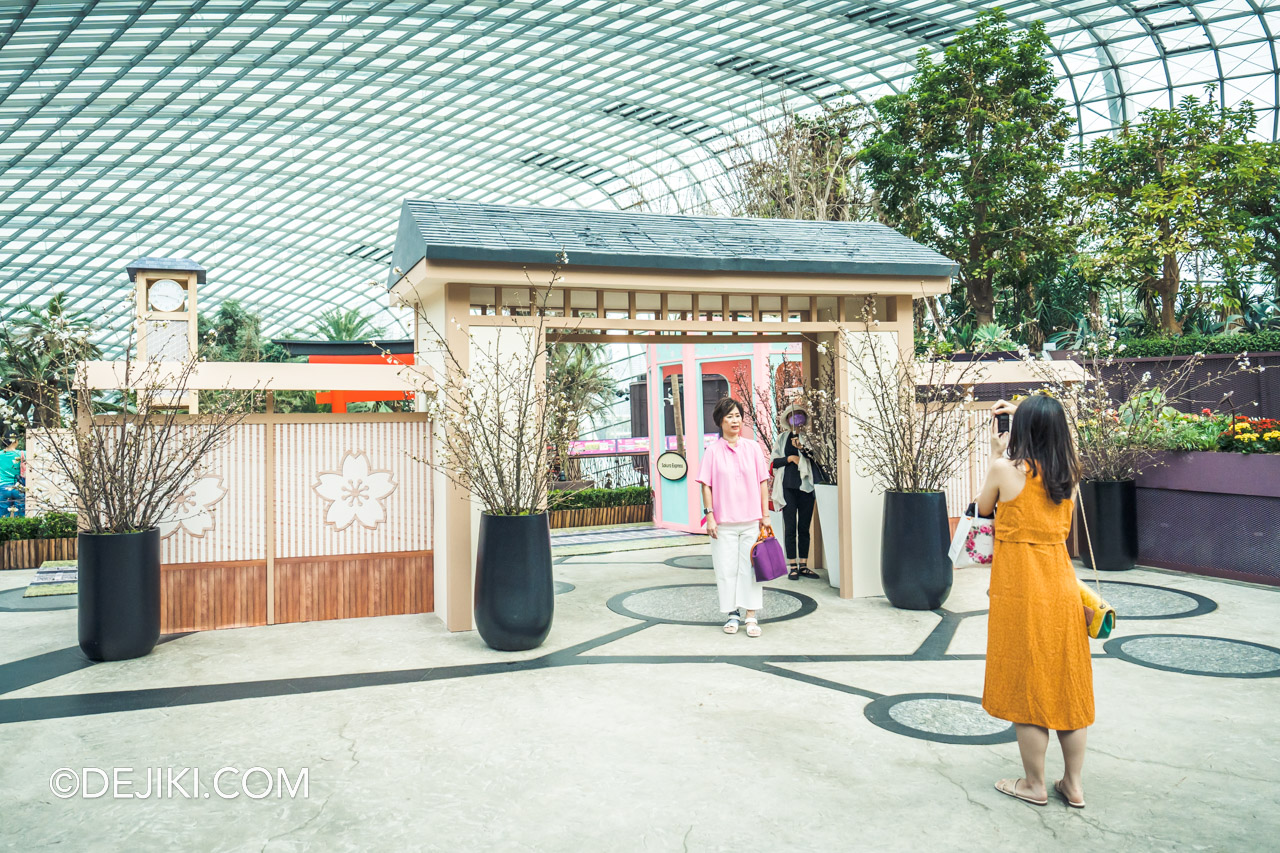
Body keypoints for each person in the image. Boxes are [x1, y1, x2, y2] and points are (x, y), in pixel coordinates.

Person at [977, 394, 1093, 810]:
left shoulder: (1004, 470)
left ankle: (1034, 783)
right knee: (1067, 684)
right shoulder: (1071, 472)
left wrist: (996, 450)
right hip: (1061, 584)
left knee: (1028, 685)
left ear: (1021, 429)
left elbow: (983, 508)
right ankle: (1074, 785)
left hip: (1019, 587)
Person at [696, 397, 771, 638]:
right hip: (724, 524)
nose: (735, 420)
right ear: (720, 421)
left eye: (738, 415)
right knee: (726, 569)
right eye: (729, 416)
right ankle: (732, 614)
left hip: (751, 521)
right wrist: (710, 516)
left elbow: (762, 482)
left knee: (750, 569)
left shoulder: (753, 448)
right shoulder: (712, 451)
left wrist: (765, 516)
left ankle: (751, 615)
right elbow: (705, 485)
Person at [770, 401, 821, 580]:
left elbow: (818, 459)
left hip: (806, 488)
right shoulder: (782, 438)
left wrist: (802, 448)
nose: (796, 419)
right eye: (793, 416)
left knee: (804, 528)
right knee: (790, 527)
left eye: (800, 415)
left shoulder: (810, 438)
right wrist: (790, 458)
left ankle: (804, 565)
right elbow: (774, 462)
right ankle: (792, 565)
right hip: (787, 488)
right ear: (788, 419)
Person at [0, 434, 24, 518]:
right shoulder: (23, 454)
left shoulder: (0, 454)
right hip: (18, 487)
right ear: (16, 441)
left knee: (3, 516)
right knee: (20, 515)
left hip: (3, 487)